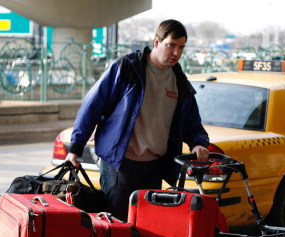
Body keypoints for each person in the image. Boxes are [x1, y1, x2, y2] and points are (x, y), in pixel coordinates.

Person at [66, 19, 210, 220]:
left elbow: (193, 123)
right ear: (157, 42)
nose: (177, 53)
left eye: (181, 47)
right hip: (121, 165)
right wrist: (75, 149)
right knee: (116, 226)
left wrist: (199, 143)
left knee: (146, 228)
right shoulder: (127, 67)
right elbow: (92, 105)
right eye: (171, 45)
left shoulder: (179, 81)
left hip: (154, 168)